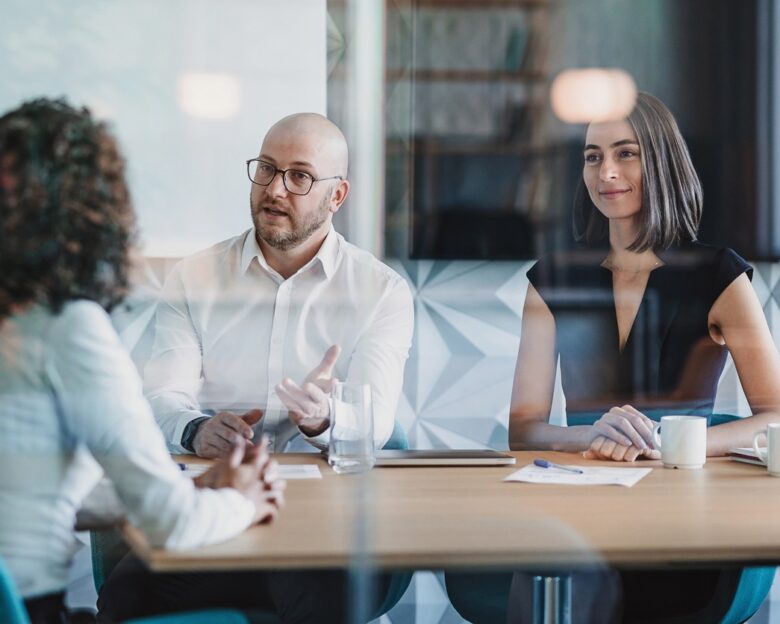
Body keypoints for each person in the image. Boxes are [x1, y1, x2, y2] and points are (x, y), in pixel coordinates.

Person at [0, 98, 285, 624]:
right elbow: (172, 528)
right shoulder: (67, 328)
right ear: (90, 211)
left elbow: (36, 490)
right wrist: (241, 500)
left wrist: (189, 487)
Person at [507, 92, 780, 621]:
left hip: (681, 514)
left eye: (626, 153)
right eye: (592, 156)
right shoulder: (552, 278)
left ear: (660, 161)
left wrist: (668, 444)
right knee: (553, 577)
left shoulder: (719, 275)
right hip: (579, 504)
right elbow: (523, 428)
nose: (606, 171)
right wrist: (588, 436)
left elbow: (777, 415)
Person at [143, 112, 414, 457]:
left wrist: (322, 417)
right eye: (266, 168)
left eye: (299, 176)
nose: (274, 190)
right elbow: (162, 396)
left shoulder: (382, 291)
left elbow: (375, 421)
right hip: (224, 482)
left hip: (334, 487)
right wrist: (196, 430)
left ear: (337, 196)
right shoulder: (193, 277)